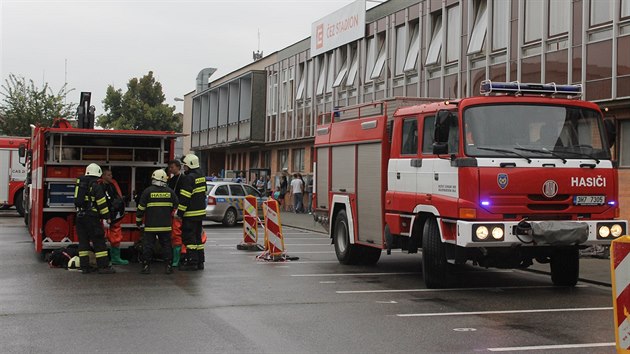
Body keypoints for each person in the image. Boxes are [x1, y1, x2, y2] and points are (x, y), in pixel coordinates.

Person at [74, 163, 115, 274]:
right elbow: (102, 203)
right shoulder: (96, 185)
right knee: (99, 241)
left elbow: (77, 201)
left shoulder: (81, 184)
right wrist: (107, 217)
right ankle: (103, 267)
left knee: (83, 243)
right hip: (92, 218)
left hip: (79, 217)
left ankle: (84, 267)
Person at [136, 169, 178, 274]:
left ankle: (146, 267)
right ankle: (168, 267)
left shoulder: (147, 191)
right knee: (167, 246)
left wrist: (138, 222)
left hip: (150, 226)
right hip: (166, 226)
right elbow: (177, 206)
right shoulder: (170, 192)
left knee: (148, 246)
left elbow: (140, 209)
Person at [177, 153, 207, 271]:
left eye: (185, 166)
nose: (184, 168)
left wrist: (179, 213)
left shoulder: (189, 178)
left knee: (189, 239)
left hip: (190, 214)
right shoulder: (201, 176)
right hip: (199, 214)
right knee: (198, 239)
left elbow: (185, 197)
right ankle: (200, 262)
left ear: (189, 165)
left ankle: (192, 262)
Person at [99, 168, 128, 265]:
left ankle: (115, 258)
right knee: (101, 237)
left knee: (116, 237)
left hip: (114, 216)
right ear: (103, 176)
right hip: (103, 216)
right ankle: (103, 260)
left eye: (111, 175)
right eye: (108, 175)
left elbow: (116, 198)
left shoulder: (112, 185)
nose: (111, 177)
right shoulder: (100, 186)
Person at [167, 159, 184, 267]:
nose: (170, 169)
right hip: (172, 209)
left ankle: (177, 258)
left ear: (178, 167)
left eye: (172, 167)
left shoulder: (182, 179)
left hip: (177, 210)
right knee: (173, 234)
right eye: (170, 167)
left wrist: (179, 210)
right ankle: (175, 256)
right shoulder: (172, 180)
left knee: (176, 233)